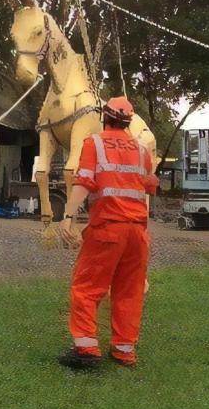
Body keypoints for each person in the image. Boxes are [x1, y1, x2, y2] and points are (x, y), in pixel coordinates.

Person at [58, 96, 159, 370]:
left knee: (87, 288)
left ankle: (87, 349)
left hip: (107, 229)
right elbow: (149, 187)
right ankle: (124, 351)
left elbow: (84, 182)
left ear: (105, 117)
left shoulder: (94, 144)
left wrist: (68, 217)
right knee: (130, 291)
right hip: (137, 233)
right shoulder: (141, 150)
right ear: (128, 122)